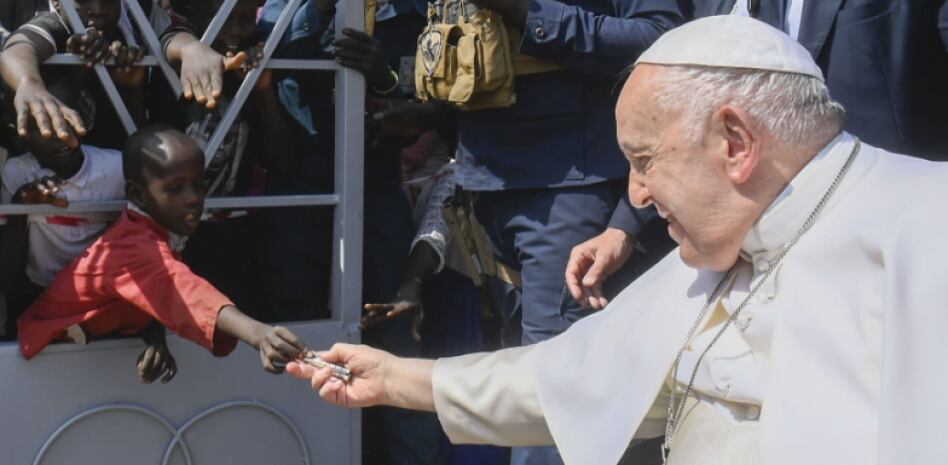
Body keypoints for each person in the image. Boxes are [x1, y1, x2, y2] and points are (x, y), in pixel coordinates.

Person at [287, 16, 948, 465]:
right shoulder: (727, 241)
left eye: (644, 157)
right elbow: (572, 376)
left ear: (736, 143)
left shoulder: (927, 227)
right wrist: (402, 378)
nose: (633, 195)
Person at [17, 125, 304, 384]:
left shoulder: (161, 227)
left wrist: (155, 336)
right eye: (175, 188)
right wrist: (257, 333)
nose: (192, 197)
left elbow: (152, 294)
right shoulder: (131, 244)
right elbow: (179, 287)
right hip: (45, 357)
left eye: (199, 184)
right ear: (138, 195)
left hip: (84, 350)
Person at [0, 81, 124, 337]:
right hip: (37, 292)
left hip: (99, 294)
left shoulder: (115, 169)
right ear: (20, 132)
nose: (61, 135)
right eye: (44, 124)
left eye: (67, 118)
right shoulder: (16, 172)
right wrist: (21, 206)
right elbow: (7, 278)